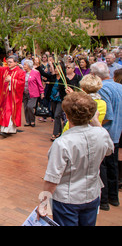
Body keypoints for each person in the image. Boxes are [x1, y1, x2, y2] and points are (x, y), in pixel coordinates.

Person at [39, 91, 114, 226]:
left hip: (68, 199)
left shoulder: (62, 143)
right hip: (92, 194)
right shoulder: (101, 133)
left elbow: (52, 179)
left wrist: (43, 204)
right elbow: (109, 150)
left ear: (66, 115)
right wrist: (96, 122)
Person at [90, 62, 122, 211]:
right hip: (116, 134)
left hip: (106, 133)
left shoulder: (102, 89)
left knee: (102, 166)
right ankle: (113, 197)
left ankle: (103, 200)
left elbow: (107, 115)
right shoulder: (119, 87)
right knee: (112, 165)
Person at [0, 55, 25, 137]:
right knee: (3, 110)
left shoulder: (20, 72)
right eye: (8, 62)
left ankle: (7, 130)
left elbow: (22, 83)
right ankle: (5, 129)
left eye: (11, 62)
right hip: (4, 95)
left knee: (9, 111)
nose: (9, 63)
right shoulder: (6, 69)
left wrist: (12, 80)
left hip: (13, 97)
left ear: (15, 62)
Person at [22, 59, 44, 127]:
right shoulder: (23, 73)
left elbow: (39, 83)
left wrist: (42, 92)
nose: (24, 66)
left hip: (33, 93)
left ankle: (32, 120)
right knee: (25, 108)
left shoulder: (35, 73)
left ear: (28, 65)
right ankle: (27, 121)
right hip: (25, 93)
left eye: (25, 64)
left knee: (30, 107)